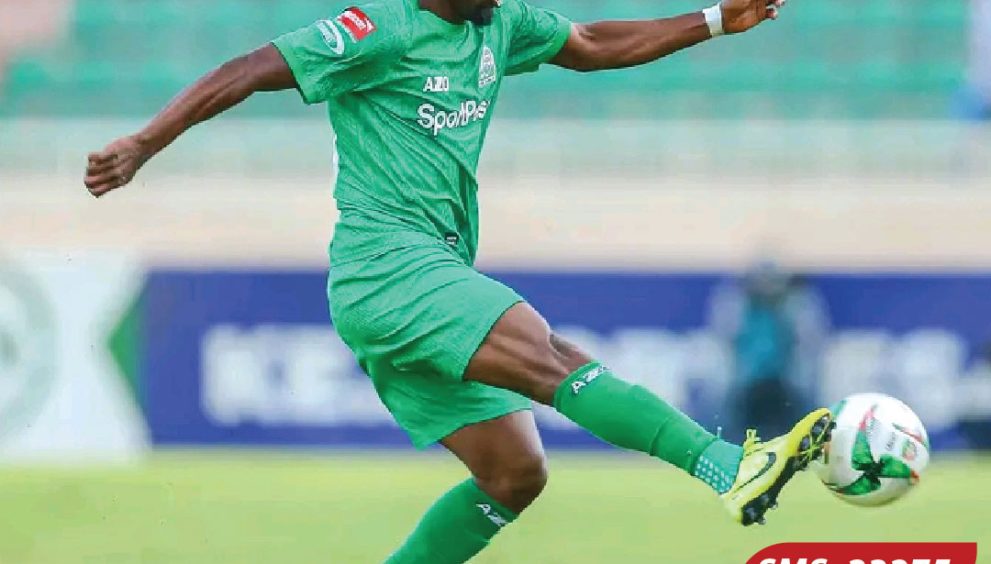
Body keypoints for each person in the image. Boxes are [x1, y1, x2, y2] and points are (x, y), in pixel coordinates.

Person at [83, 0, 833, 561]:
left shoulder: (497, 23)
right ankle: (727, 468)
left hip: (423, 274)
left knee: (515, 475)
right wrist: (145, 143)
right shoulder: (377, 32)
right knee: (551, 356)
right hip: (387, 267)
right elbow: (248, 70)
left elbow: (591, 43)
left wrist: (713, 20)